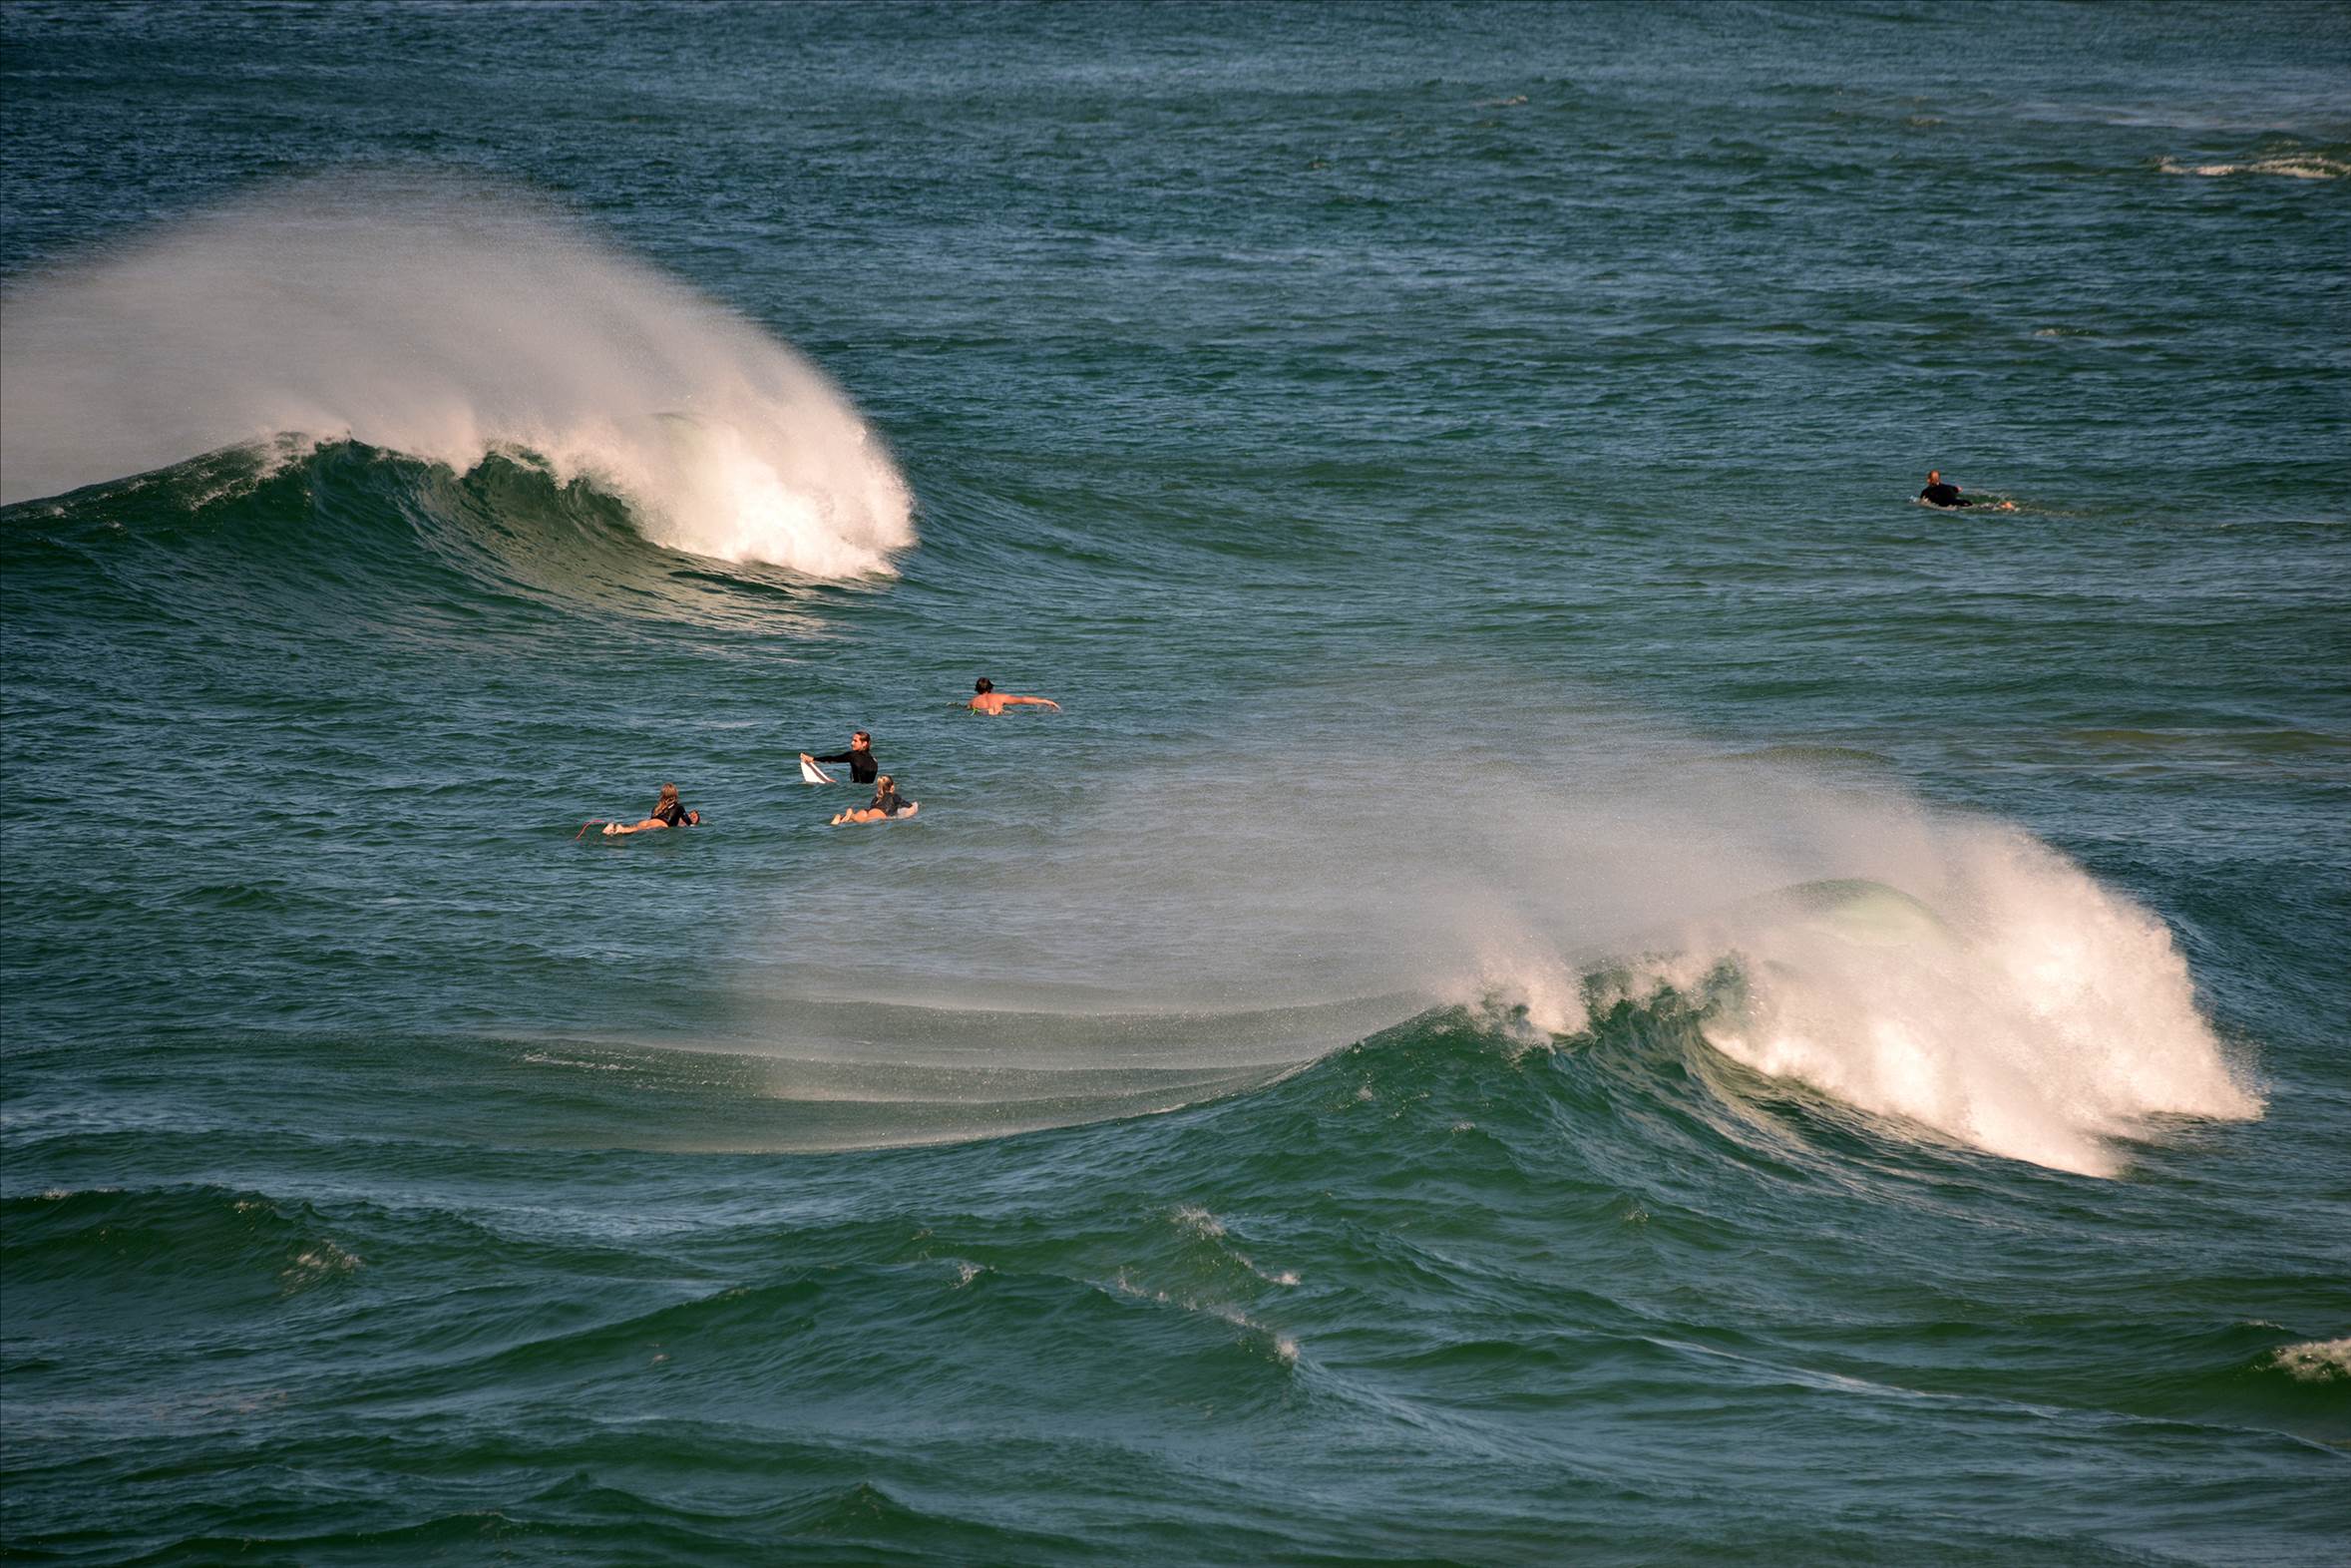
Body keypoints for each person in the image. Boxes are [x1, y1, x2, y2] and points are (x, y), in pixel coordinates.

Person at [602, 783, 699, 836]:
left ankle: (614, 828)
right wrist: (694, 826)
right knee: (631, 832)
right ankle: (618, 829)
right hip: (659, 825)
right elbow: (688, 822)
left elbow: (653, 819)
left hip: (646, 822)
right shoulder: (679, 807)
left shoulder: (657, 807)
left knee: (633, 829)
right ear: (675, 794)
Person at [831, 774, 917, 825]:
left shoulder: (876, 798)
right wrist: (914, 807)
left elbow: (872, 807)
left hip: (867, 811)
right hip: (879, 813)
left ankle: (840, 818)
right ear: (892, 786)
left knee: (853, 820)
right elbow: (908, 805)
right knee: (863, 821)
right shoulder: (894, 796)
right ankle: (852, 815)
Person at [802, 729, 878, 784]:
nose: (852, 743)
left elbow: (833, 759)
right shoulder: (874, 760)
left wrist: (813, 759)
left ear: (864, 743)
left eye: (855, 741)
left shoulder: (853, 755)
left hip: (854, 790)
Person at [1918, 470, 2016, 511]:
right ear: (1939, 479)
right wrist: (1955, 489)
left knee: (1978, 508)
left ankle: (2002, 506)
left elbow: (1923, 502)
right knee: (1979, 506)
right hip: (1961, 502)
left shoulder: (1926, 492)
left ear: (1928, 480)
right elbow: (1959, 488)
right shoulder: (1949, 487)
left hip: (1952, 506)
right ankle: (2002, 505)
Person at [969, 676, 1060, 715]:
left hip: (980, 714)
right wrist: (1045, 701)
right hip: (996, 718)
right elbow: (1023, 700)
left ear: (977, 688)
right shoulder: (1000, 697)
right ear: (991, 687)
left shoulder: (972, 702)